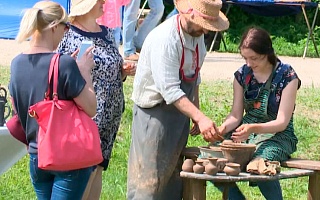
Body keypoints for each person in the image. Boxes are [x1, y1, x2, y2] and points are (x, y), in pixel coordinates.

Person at [127, 0, 229, 199]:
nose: (206, 32)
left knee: (173, 179)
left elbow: (194, 75)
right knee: (149, 182)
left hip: (179, 113)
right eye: (204, 25)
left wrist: (195, 109)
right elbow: (170, 90)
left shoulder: (196, 35)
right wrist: (200, 117)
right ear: (189, 16)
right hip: (154, 114)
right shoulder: (165, 39)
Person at [9, 1, 97, 199]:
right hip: (67, 157)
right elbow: (91, 108)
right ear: (54, 26)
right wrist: (84, 73)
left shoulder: (16, 64)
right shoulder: (64, 63)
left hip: (36, 155)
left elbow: (19, 109)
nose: (66, 31)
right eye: (66, 26)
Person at [57, 0, 136, 199]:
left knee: (98, 168)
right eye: (99, 0)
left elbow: (112, 68)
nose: (103, 3)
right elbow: (59, 75)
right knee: (85, 172)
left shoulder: (107, 33)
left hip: (110, 118)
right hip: (85, 117)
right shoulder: (67, 35)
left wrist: (123, 71)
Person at [217, 27, 301, 200]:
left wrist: (253, 128)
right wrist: (221, 129)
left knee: (261, 163)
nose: (249, 63)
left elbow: (282, 122)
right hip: (246, 131)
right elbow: (235, 115)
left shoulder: (287, 76)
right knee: (213, 160)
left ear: (267, 53)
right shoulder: (242, 75)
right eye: (245, 58)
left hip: (279, 135)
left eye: (254, 58)